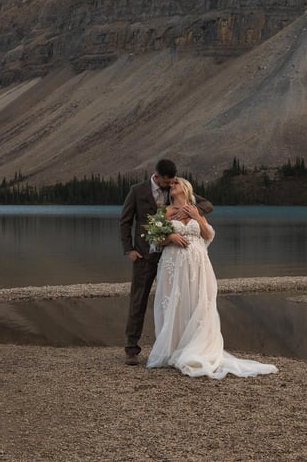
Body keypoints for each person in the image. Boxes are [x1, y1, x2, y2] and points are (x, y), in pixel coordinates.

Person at [146, 176, 278, 379]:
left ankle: (195, 347)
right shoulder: (165, 211)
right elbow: (155, 238)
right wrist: (170, 237)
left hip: (198, 263)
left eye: (175, 184)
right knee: (174, 303)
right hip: (173, 264)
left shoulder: (195, 209)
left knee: (198, 302)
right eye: (170, 184)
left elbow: (207, 235)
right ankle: (172, 348)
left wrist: (197, 218)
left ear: (185, 188)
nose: (171, 186)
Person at [119, 159, 212, 366]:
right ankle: (131, 349)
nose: (169, 185)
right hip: (145, 255)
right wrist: (129, 250)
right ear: (156, 175)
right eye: (166, 182)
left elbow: (207, 204)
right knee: (138, 300)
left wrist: (190, 210)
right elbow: (125, 221)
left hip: (173, 258)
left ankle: (176, 346)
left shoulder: (176, 190)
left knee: (174, 302)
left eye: (172, 182)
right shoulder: (137, 191)